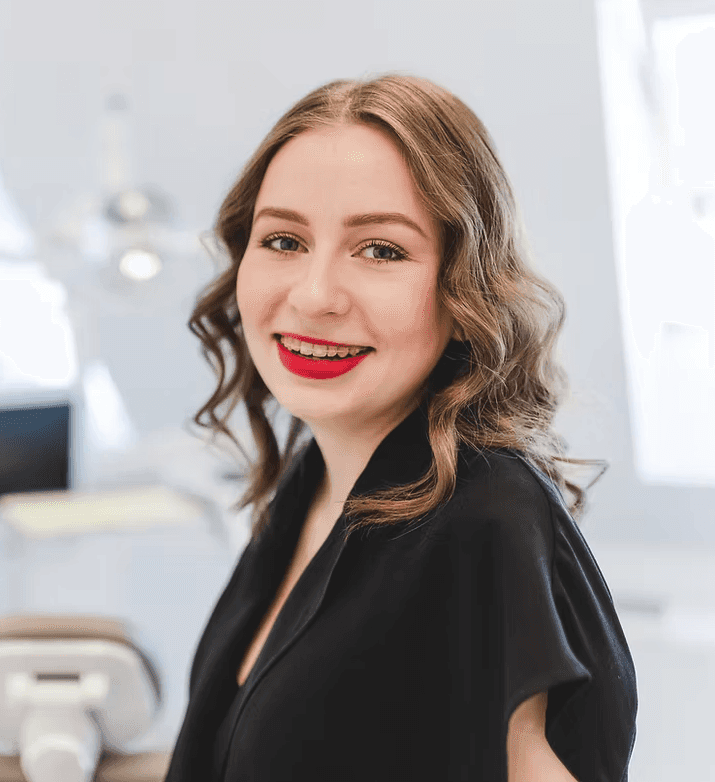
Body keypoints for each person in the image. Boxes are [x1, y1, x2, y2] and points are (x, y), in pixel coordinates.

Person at [167, 72, 636, 781]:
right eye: (283, 240)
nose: (315, 295)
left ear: (464, 288)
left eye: (380, 249)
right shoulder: (309, 488)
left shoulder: (485, 520)